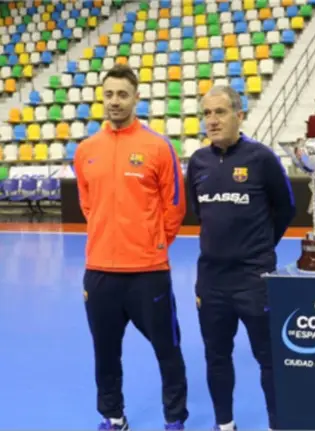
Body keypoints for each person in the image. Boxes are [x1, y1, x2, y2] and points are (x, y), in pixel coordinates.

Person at [73, 64, 189, 430]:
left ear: (137, 98)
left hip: (148, 273)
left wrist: (152, 243)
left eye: (122, 94)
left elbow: (174, 206)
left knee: (167, 351)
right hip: (100, 273)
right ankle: (113, 415)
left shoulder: (157, 146)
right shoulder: (86, 149)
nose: (115, 102)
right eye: (108, 94)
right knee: (105, 354)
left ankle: (174, 418)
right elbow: (87, 204)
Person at [186, 85, 296, 431]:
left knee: (269, 359)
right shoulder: (198, 163)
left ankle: (278, 424)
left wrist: (261, 248)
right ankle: (225, 424)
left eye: (220, 112)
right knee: (216, 357)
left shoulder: (261, 158)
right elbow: (199, 214)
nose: (212, 121)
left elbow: (286, 208)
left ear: (239, 115)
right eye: (207, 114)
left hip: (254, 278)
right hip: (212, 281)